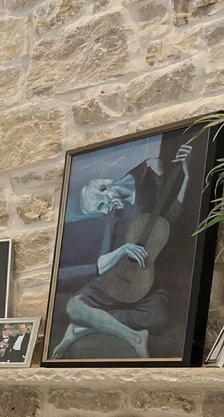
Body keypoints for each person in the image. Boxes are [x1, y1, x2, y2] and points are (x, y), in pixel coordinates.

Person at [52, 139, 197, 358]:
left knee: (160, 316)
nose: (104, 210)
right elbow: (102, 260)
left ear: (104, 187)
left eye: (101, 204)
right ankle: (133, 337)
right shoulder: (114, 214)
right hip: (114, 279)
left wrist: (187, 177)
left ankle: (89, 325)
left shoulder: (149, 172)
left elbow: (169, 218)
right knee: (74, 307)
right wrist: (121, 250)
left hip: (145, 282)